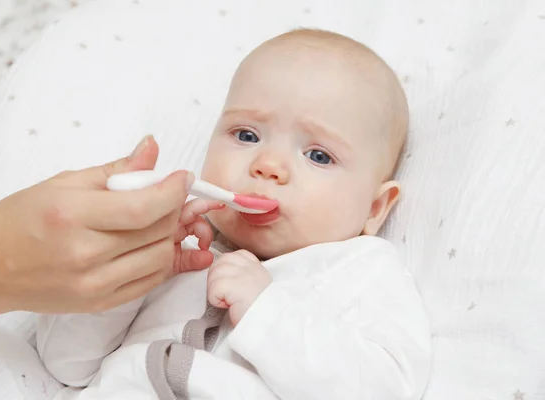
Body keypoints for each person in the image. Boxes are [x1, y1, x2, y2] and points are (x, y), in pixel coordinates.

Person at [37, 29, 432, 399]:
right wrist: (129, 267)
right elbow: (67, 365)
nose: (268, 164)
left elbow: (387, 388)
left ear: (375, 207)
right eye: (246, 135)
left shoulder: (360, 269)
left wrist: (266, 313)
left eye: (318, 155)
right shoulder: (181, 241)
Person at [0, 135, 210, 329]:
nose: (254, 164)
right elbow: (70, 370)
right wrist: (127, 282)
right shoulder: (172, 261)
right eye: (245, 136)